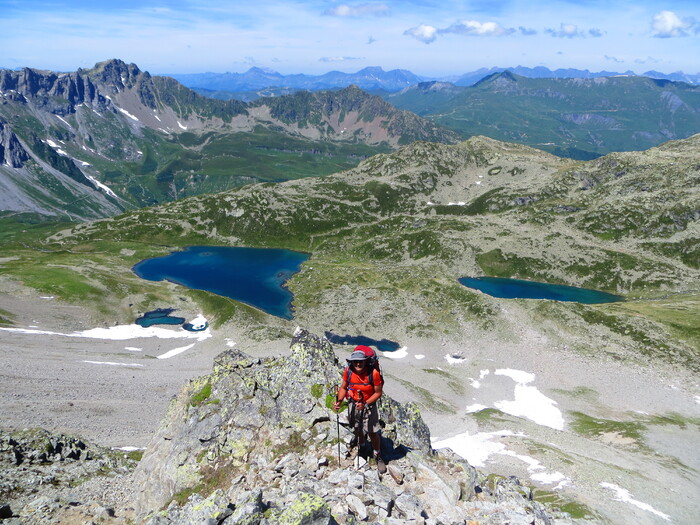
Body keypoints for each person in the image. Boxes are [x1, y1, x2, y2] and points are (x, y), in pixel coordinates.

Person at [334, 349, 386, 473]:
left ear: (366, 361)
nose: (358, 364)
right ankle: (362, 447)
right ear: (352, 362)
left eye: (361, 362)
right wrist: (339, 401)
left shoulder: (373, 373)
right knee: (357, 428)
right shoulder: (349, 371)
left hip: (369, 405)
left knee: (372, 432)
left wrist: (365, 404)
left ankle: (377, 454)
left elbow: (378, 393)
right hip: (353, 402)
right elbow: (343, 387)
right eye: (355, 362)